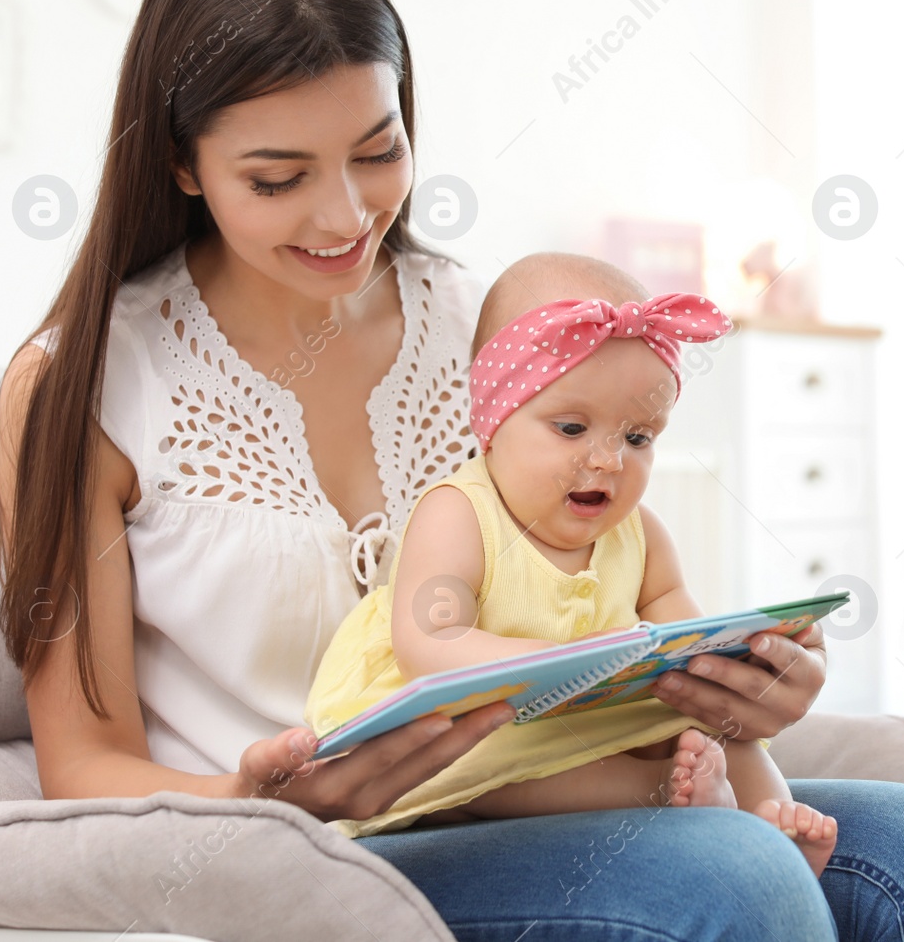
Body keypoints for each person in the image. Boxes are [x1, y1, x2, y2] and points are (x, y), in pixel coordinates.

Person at [0, 0, 904, 940]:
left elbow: (607, 589)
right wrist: (269, 803)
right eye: (278, 179)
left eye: (377, 150)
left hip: (547, 783)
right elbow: (80, 765)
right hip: (299, 853)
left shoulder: (492, 331)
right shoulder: (82, 387)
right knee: (734, 875)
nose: (348, 214)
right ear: (182, 164)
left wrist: (735, 688)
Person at [304, 254, 839, 872]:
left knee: (713, 732)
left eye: (638, 437)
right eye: (571, 427)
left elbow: (687, 641)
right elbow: (429, 640)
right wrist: (555, 667)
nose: (610, 459)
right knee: (489, 770)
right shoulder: (460, 513)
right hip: (472, 727)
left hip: (594, 716)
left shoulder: (641, 537)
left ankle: (776, 829)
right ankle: (662, 790)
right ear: (494, 422)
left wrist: (743, 655)